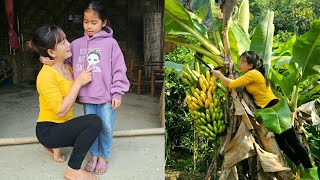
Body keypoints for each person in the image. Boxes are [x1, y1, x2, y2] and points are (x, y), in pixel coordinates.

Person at [211, 51, 314, 170]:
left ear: (250, 65)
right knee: (282, 144)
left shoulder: (253, 73)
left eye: (243, 62)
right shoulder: (250, 75)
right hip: (269, 110)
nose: (240, 64)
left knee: (292, 141)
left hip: (275, 108)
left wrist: (218, 75)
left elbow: (232, 84)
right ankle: (299, 166)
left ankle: (310, 170)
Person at [65, 0, 130, 175]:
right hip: (87, 96)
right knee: (91, 128)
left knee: (106, 127)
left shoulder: (111, 44)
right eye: (86, 22)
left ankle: (104, 156)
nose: (89, 26)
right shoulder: (76, 44)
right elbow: (65, 60)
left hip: (106, 97)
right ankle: (94, 155)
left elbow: (119, 69)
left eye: (94, 22)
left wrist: (117, 92)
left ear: (104, 22)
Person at [29, 25, 101, 180]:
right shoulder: (45, 76)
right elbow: (60, 111)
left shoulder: (69, 67)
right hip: (48, 130)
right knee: (93, 122)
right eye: (62, 42)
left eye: (66, 39)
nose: (69, 44)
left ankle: (56, 147)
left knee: (91, 127)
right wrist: (78, 83)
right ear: (51, 52)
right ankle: (72, 170)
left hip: (63, 126)